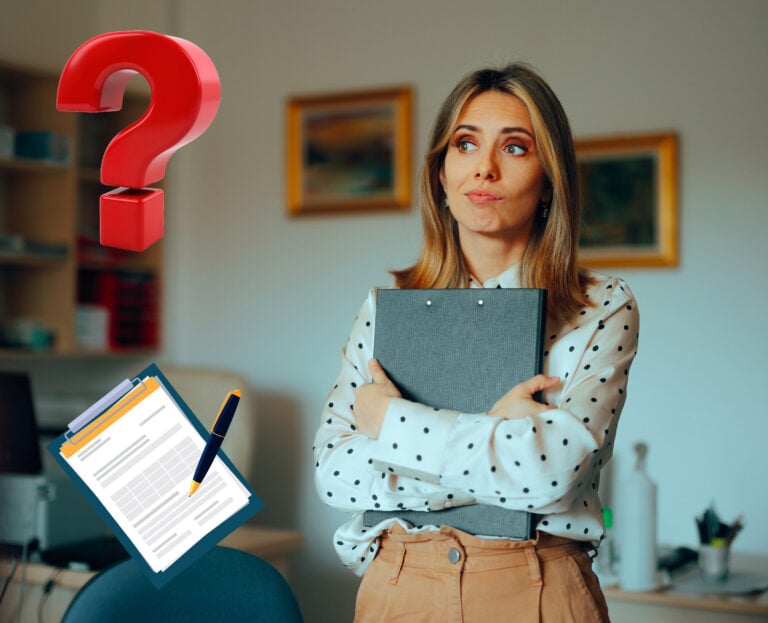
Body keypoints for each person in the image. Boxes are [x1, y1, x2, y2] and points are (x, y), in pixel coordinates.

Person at [314, 62, 639, 622]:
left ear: (549, 179)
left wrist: (393, 425)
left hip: (535, 587)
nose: (484, 168)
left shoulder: (601, 306)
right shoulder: (386, 307)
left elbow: (552, 477)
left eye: (515, 148)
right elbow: (334, 472)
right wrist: (496, 440)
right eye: (465, 144)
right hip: (399, 587)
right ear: (441, 174)